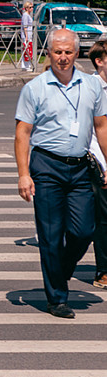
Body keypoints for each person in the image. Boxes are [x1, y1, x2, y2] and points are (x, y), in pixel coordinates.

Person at [15, 28, 107, 318]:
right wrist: (23, 174)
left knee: (84, 230)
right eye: (58, 52)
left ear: (77, 53)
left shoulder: (91, 87)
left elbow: (101, 127)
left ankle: (60, 270)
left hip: (80, 166)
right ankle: (57, 298)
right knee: (51, 235)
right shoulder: (35, 88)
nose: (63, 57)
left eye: (68, 52)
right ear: (49, 53)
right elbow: (23, 133)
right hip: (46, 166)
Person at [86, 40, 107, 289]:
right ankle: (103, 271)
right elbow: (92, 134)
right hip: (98, 163)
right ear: (99, 61)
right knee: (103, 219)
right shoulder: (89, 88)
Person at [21, 1, 35, 72]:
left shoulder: (28, 15)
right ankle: (26, 66)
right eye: (30, 7)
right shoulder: (25, 15)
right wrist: (26, 36)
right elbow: (25, 26)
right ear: (26, 8)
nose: (32, 8)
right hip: (27, 35)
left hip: (29, 35)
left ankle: (26, 65)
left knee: (28, 50)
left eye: (32, 7)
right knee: (27, 50)